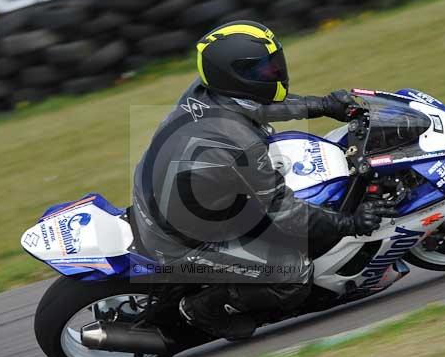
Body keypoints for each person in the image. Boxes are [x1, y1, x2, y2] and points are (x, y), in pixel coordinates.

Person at [132, 21, 392, 340]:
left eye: (275, 64)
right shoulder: (238, 142)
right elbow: (289, 215)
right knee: (293, 272)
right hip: (180, 240)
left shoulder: (206, 91)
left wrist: (323, 105)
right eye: (265, 70)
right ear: (236, 75)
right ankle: (202, 308)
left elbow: (261, 106)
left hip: (169, 196)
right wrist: (349, 224)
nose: (276, 73)